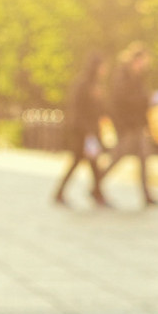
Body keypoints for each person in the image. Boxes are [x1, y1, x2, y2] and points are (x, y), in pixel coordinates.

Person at [102, 43, 158, 207]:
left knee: (143, 158)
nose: (146, 65)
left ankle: (146, 195)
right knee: (117, 157)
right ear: (136, 60)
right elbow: (120, 102)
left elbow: (140, 103)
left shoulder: (138, 77)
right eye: (144, 61)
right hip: (127, 126)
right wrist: (146, 99)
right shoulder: (122, 76)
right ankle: (96, 184)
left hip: (137, 126)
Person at [53, 54, 110, 207]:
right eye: (103, 66)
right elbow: (79, 110)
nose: (105, 70)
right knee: (83, 162)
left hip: (90, 131)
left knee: (90, 163)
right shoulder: (84, 85)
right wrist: (87, 132)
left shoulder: (95, 84)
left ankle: (96, 193)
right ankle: (96, 194)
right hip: (83, 132)